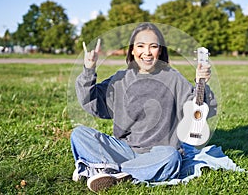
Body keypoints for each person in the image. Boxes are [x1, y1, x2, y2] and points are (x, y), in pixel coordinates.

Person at [70, 22, 216, 192]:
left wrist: (201, 83)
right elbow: (92, 102)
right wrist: (89, 70)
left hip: (159, 153)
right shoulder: (120, 79)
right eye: (140, 46)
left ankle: (108, 171)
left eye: (153, 46)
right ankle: (126, 172)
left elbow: (198, 111)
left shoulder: (173, 78)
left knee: (172, 157)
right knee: (79, 134)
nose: (147, 52)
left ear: (160, 50)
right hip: (124, 149)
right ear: (132, 50)